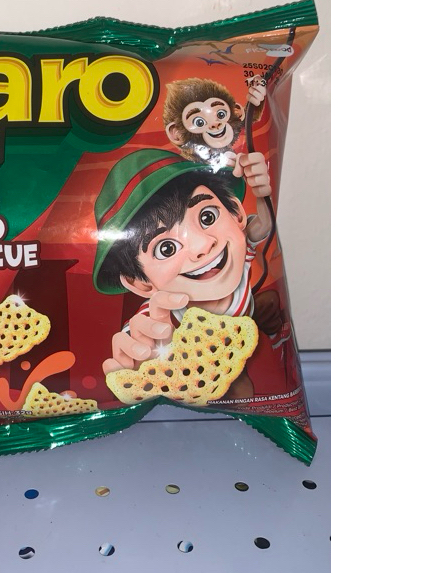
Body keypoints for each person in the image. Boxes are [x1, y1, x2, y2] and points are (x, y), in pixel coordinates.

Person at [92, 149, 289, 398]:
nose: (202, 246)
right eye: (166, 248)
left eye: (207, 217)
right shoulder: (155, 319)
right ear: (140, 283)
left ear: (237, 215)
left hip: (259, 343)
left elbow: (263, 226)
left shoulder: (242, 254)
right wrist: (141, 367)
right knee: (239, 388)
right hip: (204, 377)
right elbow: (137, 342)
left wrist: (263, 195)